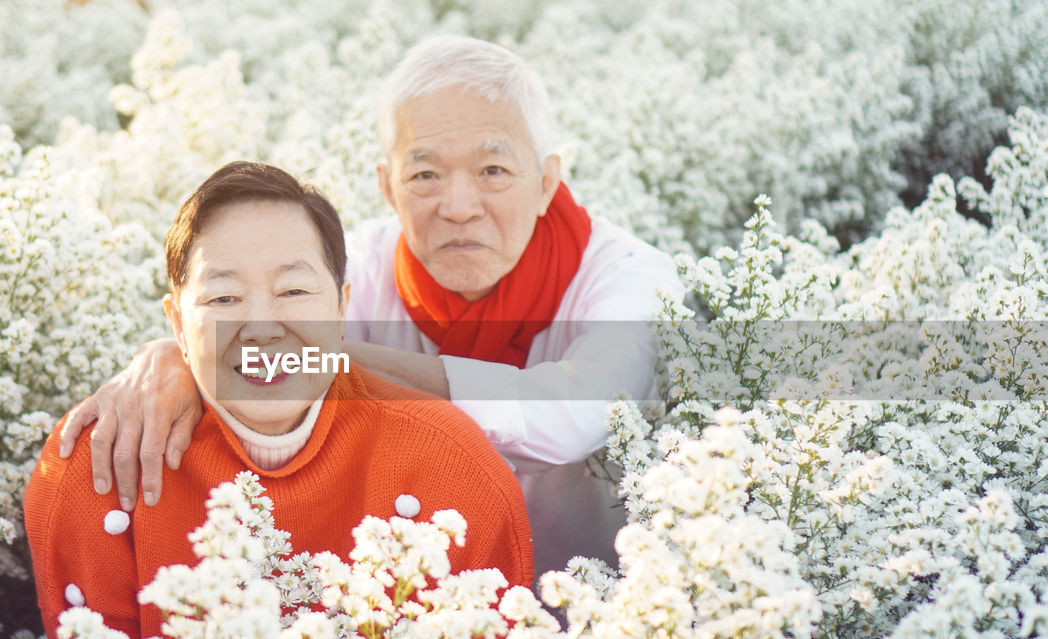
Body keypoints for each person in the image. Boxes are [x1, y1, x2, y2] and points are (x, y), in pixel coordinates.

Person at [58, 36, 681, 578]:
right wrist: (171, 358)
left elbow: (571, 415)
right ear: (387, 186)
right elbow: (235, 323)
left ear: (548, 180)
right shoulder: (349, 266)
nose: (459, 205)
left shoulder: (630, 279)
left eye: (493, 170)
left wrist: (314, 351)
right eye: (425, 175)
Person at [25, 161, 534, 639]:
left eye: (293, 290)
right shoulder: (101, 466)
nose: (262, 326)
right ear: (176, 322)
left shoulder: (451, 464)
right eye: (223, 299)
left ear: (341, 310)